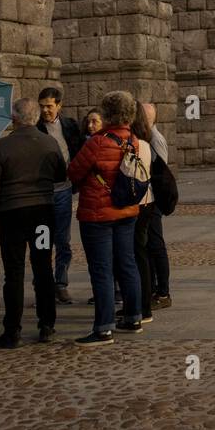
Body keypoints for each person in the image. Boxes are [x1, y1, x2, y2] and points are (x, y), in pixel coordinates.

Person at [0, 98, 66, 348]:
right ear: (37, 117)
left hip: (13, 216)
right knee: (42, 268)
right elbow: (61, 174)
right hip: (41, 213)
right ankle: (47, 325)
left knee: (14, 271)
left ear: (15, 119)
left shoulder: (3, 146)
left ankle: (12, 330)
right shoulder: (49, 142)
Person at [67, 91, 143, 347]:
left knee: (102, 270)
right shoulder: (134, 140)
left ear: (107, 114)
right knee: (127, 264)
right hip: (127, 211)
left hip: (98, 214)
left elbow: (74, 172)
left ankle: (103, 328)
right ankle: (133, 317)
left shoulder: (97, 142)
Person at [37, 87, 83, 306]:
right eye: (42, 106)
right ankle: (43, 284)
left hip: (64, 191)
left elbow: (80, 150)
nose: (45, 110)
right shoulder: (36, 128)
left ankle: (60, 283)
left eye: (49, 106)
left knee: (62, 240)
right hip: (42, 194)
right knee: (42, 240)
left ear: (59, 105)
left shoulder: (70, 126)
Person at [141, 102, 172, 310]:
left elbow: (161, 172)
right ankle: (152, 289)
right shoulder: (146, 138)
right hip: (148, 199)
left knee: (156, 245)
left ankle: (163, 292)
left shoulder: (155, 139)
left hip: (154, 200)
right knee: (149, 245)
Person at [127, 102, 155, 324]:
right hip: (147, 202)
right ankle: (142, 306)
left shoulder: (135, 143)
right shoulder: (145, 141)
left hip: (137, 203)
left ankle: (141, 308)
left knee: (136, 256)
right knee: (140, 255)